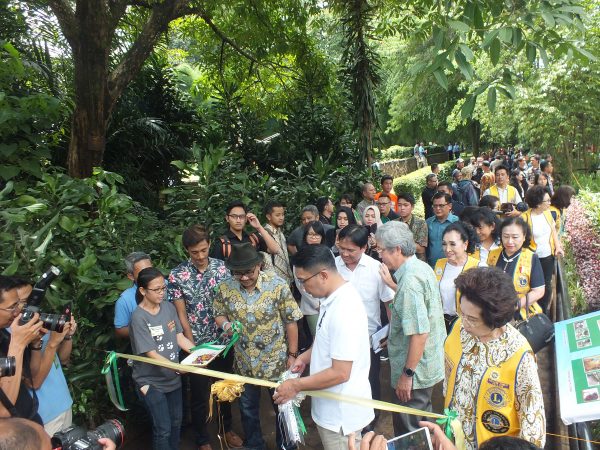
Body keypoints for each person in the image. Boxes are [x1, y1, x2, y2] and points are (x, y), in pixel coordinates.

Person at [274, 245, 374, 450]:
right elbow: (326, 343)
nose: (302, 288)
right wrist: (304, 358)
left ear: (323, 275)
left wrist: (295, 386)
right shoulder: (332, 299)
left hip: (341, 419)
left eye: (303, 281)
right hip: (331, 411)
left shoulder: (344, 309)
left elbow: (340, 373)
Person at [444, 267, 546, 449]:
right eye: (462, 313)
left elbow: (532, 422)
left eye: (473, 319)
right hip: (453, 438)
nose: (464, 323)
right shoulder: (459, 329)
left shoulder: (519, 355)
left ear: (496, 320)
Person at [214, 243, 302, 450]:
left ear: (259, 266)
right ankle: (254, 445)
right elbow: (218, 312)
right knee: (247, 409)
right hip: (244, 362)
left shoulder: (277, 285)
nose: (244, 278)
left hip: (276, 361)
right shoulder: (225, 287)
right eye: (238, 273)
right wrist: (226, 325)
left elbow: (291, 320)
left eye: (248, 272)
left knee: (282, 407)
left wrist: (292, 354)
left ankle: (286, 446)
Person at [167, 225, 243, 450]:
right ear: (186, 251)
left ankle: (226, 428)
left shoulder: (222, 269)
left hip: (223, 342)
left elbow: (230, 303)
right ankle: (202, 438)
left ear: (210, 244)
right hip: (196, 345)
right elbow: (181, 313)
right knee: (199, 395)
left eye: (203, 250)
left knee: (224, 388)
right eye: (194, 252)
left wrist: (231, 333)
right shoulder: (177, 275)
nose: (200, 256)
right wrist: (193, 347)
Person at [374, 221, 445, 437]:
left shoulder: (410, 282)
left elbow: (420, 332)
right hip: (426, 364)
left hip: (416, 372)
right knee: (422, 421)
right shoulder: (420, 267)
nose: (379, 256)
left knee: (411, 431)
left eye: (380, 250)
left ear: (396, 249)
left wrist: (406, 375)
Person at [129, 267, 196, 450]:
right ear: (143, 290)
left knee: (176, 423)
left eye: (163, 288)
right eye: (156, 289)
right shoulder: (138, 317)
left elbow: (179, 337)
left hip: (172, 379)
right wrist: (178, 368)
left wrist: (199, 354)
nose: (161, 293)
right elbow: (151, 354)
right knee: (163, 428)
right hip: (151, 382)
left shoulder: (168, 307)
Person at [335, 225, 395, 427]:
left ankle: (371, 416)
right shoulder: (332, 267)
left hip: (369, 338)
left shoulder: (376, 269)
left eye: (350, 250)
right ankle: (348, 415)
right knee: (343, 379)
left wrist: (391, 331)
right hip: (340, 336)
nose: (345, 254)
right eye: (341, 248)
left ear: (363, 248)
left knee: (370, 378)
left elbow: (388, 303)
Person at [12, 278, 77, 436]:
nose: (33, 304)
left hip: (63, 405)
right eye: (26, 301)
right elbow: (34, 383)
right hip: (44, 417)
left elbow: (63, 360)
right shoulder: (13, 337)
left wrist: (67, 336)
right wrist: (52, 343)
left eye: (35, 298)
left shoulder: (40, 321)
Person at [0, 276, 43, 423]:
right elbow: (4, 410)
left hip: (30, 422)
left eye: (18, 304)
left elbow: (28, 376)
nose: (17, 312)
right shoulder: (13, 340)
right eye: (12, 307)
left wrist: (35, 344)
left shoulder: (4, 335)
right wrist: (17, 344)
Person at [487, 217, 545, 316]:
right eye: (505, 236)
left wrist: (514, 306)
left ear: (524, 236)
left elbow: (538, 291)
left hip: (520, 312)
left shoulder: (531, 258)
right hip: (493, 311)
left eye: (515, 237)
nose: (510, 241)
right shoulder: (492, 254)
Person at [434, 222, 484, 332]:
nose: (447, 249)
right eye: (444, 244)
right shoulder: (439, 264)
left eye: (452, 244)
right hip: (441, 324)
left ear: (465, 244)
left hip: (466, 326)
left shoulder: (478, 268)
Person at [522, 186, 564, 313]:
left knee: (546, 286)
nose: (550, 203)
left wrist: (558, 247)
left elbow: (553, 232)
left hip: (547, 256)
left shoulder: (547, 213)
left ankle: (543, 313)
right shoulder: (524, 218)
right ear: (538, 203)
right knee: (533, 287)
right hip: (532, 258)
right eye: (547, 201)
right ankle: (531, 312)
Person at [210, 200, 280, 261]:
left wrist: (259, 227)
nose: (238, 220)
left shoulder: (253, 238)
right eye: (234, 216)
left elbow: (275, 250)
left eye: (241, 216)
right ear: (227, 218)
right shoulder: (222, 244)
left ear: (246, 218)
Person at [296, 221, 327, 338]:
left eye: (317, 235)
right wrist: (316, 304)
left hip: (328, 303)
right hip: (312, 306)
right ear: (305, 237)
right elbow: (301, 285)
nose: (314, 238)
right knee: (317, 339)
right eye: (310, 235)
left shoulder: (327, 252)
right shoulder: (301, 256)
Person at [114, 252, 153, 339]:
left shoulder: (165, 285)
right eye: (143, 273)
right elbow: (120, 330)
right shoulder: (125, 300)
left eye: (151, 270)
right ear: (131, 276)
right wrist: (145, 330)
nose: (149, 275)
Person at [263, 201, 294, 284]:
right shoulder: (264, 234)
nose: (281, 218)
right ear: (269, 216)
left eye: (282, 214)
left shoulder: (280, 232)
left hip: (287, 281)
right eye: (277, 215)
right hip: (274, 283)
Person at [426, 192, 459, 267]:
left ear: (450, 206)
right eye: (435, 206)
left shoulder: (457, 222)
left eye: (441, 205)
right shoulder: (428, 222)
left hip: (452, 266)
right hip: (432, 266)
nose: (438, 208)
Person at [396, 192, 428, 261]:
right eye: (399, 205)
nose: (402, 208)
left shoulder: (421, 223)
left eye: (405, 205)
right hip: (398, 262)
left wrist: (399, 242)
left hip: (417, 262)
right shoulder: (394, 223)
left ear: (412, 207)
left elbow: (421, 249)